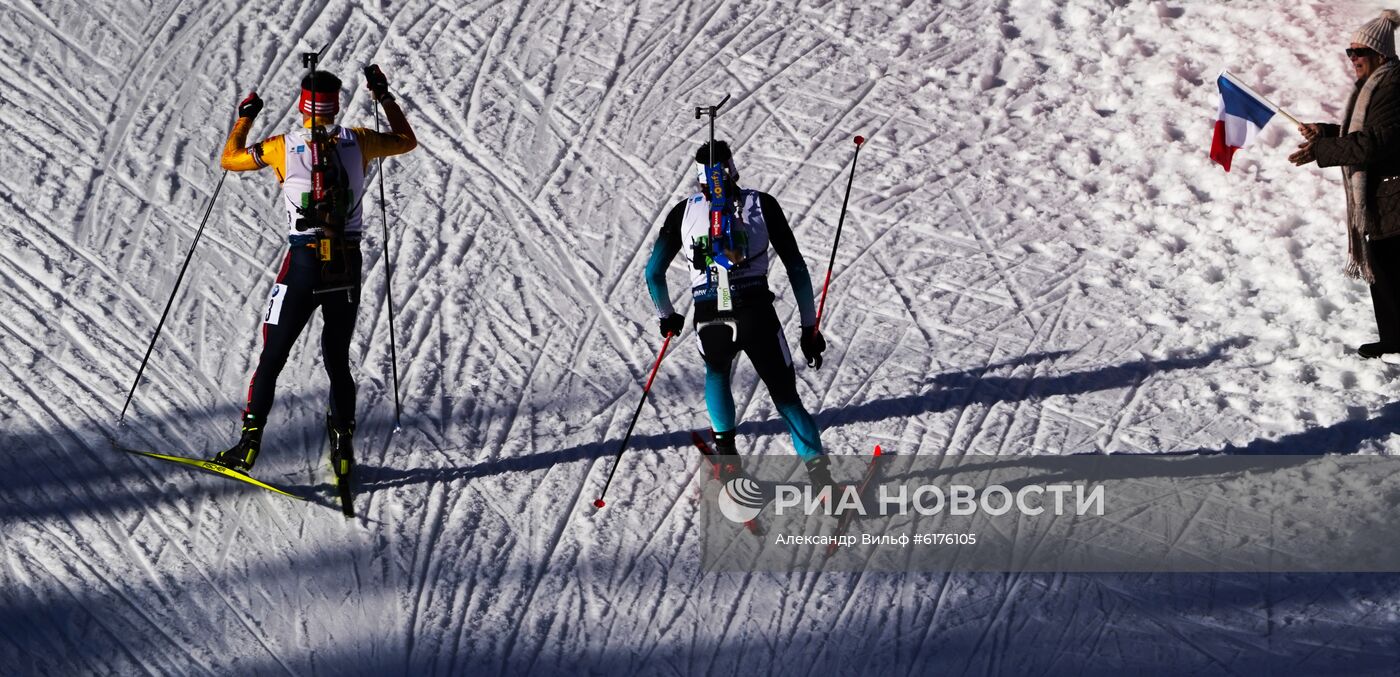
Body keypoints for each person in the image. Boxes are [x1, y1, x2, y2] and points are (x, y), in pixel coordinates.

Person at [212, 67, 416, 479]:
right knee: (337, 357)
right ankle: (342, 449)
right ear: (335, 104)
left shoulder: (281, 146)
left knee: (273, 354)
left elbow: (229, 160)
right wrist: (384, 97)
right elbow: (406, 141)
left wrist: (245, 117)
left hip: (303, 262)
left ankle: (248, 445)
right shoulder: (360, 140)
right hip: (346, 261)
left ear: (303, 105)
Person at [644, 140, 834, 488]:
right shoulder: (761, 204)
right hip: (755, 313)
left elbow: (653, 273)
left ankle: (728, 460)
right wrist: (810, 328)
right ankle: (823, 483)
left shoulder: (681, 213)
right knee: (788, 400)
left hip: (709, 318)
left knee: (716, 373)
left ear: (699, 179)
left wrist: (668, 316)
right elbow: (796, 267)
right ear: (733, 169)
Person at [1291, 10, 1400, 358]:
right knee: (1384, 272)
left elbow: (1373, 143)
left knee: (1394, 271)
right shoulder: (1376, 86)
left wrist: (1323, 149)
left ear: (1380, 54)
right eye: (1349, 52)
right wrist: (1324, 133)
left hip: (1395, 193)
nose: (1353, 59)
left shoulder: (1394, 87)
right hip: (1383, 197)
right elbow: (1362, 136)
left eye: (1359, 52)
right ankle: (1394, 339)